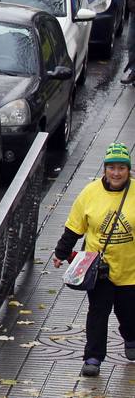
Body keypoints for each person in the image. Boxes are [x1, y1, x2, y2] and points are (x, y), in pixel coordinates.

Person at [51, 142, 135, 378]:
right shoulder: (90, 193)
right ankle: (93, 357)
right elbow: (74, 227)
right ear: (105, 170)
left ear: (128, 170)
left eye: (121, 168)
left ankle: (131, 337)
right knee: (98, 312)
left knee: (129, 312)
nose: (116, 173)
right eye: (112, 168)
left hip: (131, 270)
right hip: (100, 269)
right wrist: (60, 252)